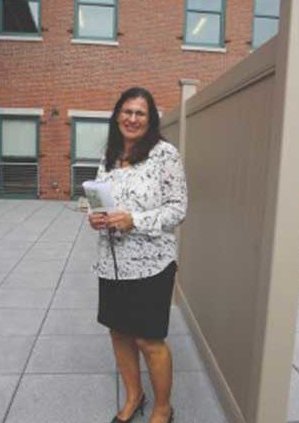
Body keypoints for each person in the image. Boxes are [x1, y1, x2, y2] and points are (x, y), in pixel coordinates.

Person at [88, 87, 187, 423]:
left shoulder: (165, 155)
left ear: (150, 119)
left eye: (139, 113)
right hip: (112, 262)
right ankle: (135, 395)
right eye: (126, 111)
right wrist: (97, 217)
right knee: (118, 332)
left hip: (152, 264)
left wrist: (135, 220)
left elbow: (178, 209)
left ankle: (163, 408)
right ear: (117, 115)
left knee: (148, 340)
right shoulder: (110, 156)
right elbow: (103, 201)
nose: (132, 118)